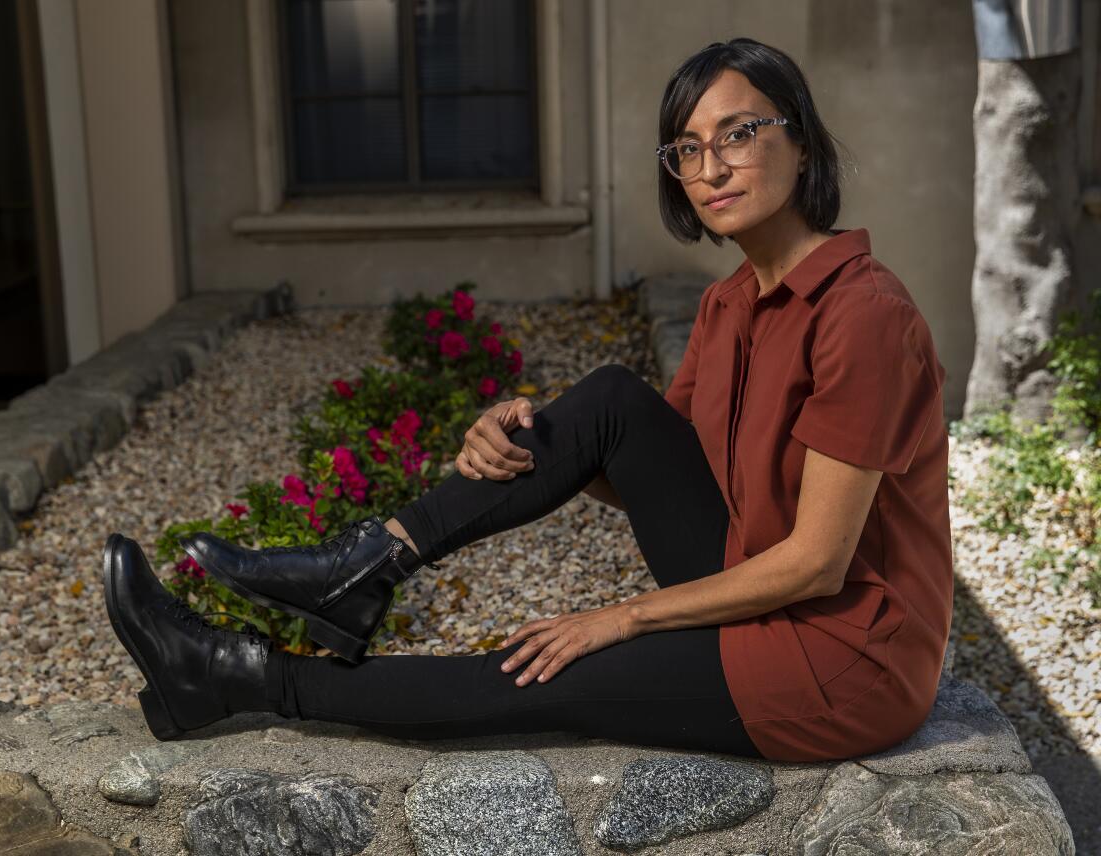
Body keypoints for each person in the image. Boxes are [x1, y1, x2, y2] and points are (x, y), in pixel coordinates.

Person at [103, 36, 952, 763]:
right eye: (687, 148)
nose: (712, 167)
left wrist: (622, 619)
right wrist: (540, 442)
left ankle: (233, 677)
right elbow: (660, 473)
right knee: (610, 399)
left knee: (540, 671)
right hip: (756, 592)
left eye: (738, 132)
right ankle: (365, 566)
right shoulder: (727, 305)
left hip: (844, 657)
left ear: (800, 141)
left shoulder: (863, 314)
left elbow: (818, 562)